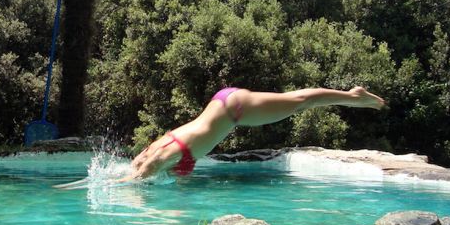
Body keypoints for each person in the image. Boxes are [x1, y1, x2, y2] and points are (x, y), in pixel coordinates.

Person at [119, 86, 385, 182]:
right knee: (297, 101)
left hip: (235, 110)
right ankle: (351, 96)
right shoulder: (153, 151)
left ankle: (353, 96)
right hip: (223, 104)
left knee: (300, 100)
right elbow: (139, 165)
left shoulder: (161, 155)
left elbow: (142, 172)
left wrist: (126, 184)